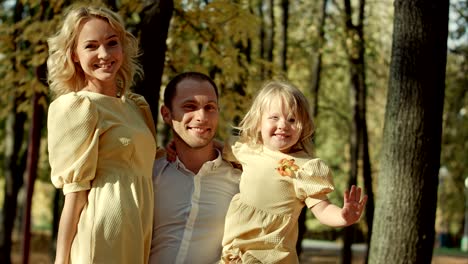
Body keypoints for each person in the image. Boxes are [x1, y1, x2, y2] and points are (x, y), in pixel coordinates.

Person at [46, 5, 157, 264]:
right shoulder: (78, 107)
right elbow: (74, 194)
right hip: (102, 233)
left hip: (140, 228)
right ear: (74, 55)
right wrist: (61, 260)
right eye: (91, 46)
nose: (104, 54)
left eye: (112, 43)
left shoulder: (136, 106)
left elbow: (144, 160)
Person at [220, 80, 368, 263]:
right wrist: (176, 147)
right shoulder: (248, 149)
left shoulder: (305, 168)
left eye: (292, 120)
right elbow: (213, 148)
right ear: (258, 123)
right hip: (236, 253)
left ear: (303, 127)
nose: (283, 125)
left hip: (272, 256)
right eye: (274, 118)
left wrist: (343, 217)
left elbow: (322, 208)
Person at [150, 72, 241, 264]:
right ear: (166, 114)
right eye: (189, 107)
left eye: (210, 108)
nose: (202, 117)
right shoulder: (150, 174)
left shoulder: (241, 180)